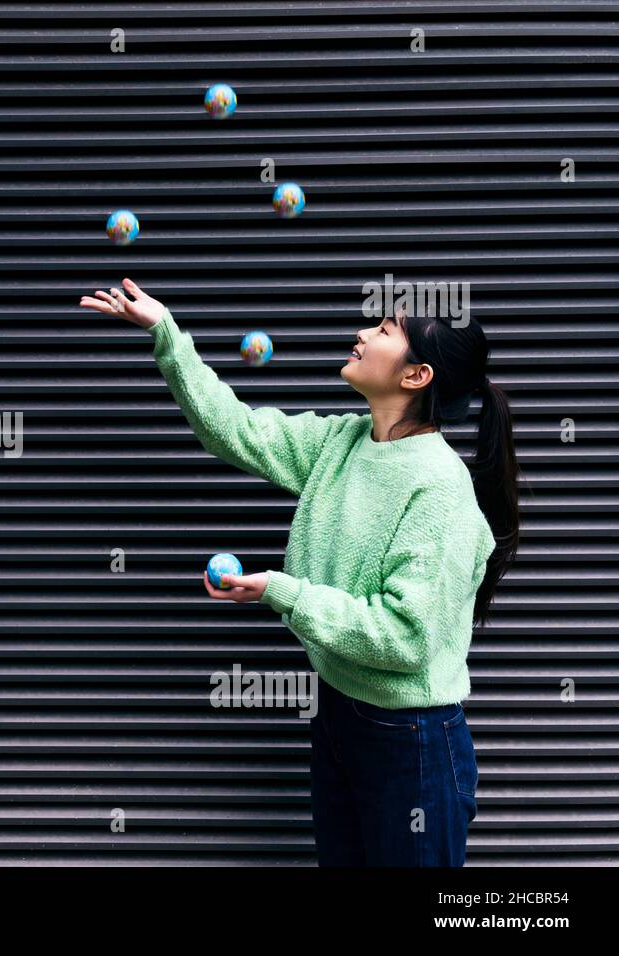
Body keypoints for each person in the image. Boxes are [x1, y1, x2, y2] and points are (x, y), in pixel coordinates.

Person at [79, 278, 521, 866]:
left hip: (411, 741)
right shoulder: (342, 441)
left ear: (416, 376)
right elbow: (233, 429)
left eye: (385, 330)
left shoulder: (439, 488)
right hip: (341, 714)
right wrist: (166, 333)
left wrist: (281, 592)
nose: (363, 332)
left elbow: (406, 638)